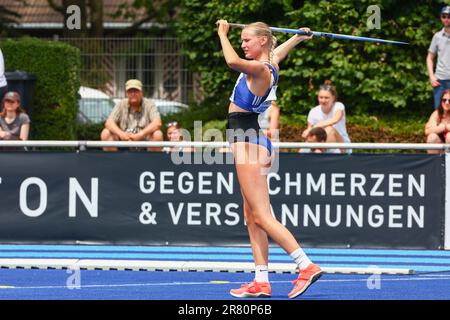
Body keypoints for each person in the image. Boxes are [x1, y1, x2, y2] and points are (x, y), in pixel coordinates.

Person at [217, 19, 322, 299]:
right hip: (249, 137)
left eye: (247, 40)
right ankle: (261, 280)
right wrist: (298, 38)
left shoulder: (259, 68)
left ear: (263, 40)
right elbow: (279, 53)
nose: (243, 44)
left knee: (262, 215)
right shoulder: (271, 64)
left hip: (248, 140)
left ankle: (305, 265)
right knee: (251, 216)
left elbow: (231, 61)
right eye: (241, 40)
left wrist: (222, 33)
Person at [100, 79, 163, 151]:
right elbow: (109, 123)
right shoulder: (121, 104)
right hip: (124, 141)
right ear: (126, 93)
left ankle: (152, 161)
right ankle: (112, 161)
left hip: (144, 142)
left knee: (158, 134)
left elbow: (157, 123)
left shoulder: (149, 104)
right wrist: (121, 134)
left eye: (136, 91)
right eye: (130, 91)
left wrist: (140, 134)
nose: (133, 94)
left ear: (141, 92)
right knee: (105, 133)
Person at [302, 81, 351, 154]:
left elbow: (335, 120)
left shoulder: (339, 106)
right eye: (321, 97)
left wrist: (316, 126)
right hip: (319, 144)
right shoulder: (313, 111)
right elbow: (309, 132)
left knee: (329, 129)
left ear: (333, 98)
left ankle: (320, 151)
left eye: (326, 98)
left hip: (341, 146)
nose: (323, 100)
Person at [427, 6, 450, 109]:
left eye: (449, 16)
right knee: (438, 112)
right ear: (441, 18)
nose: (446, 19)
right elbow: (429, 58)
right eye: (444, 16)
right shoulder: (437, 36)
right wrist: (432, 76)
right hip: (440, 81)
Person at [425, 89, 450, 154]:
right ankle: (434, 162)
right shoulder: (437, 113)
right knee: (432, 137)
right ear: (441, 101)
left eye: (449, 101)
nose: (447, 103)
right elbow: (427, 131)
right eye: (444, 100)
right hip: (441, 147)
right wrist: (442, 128)